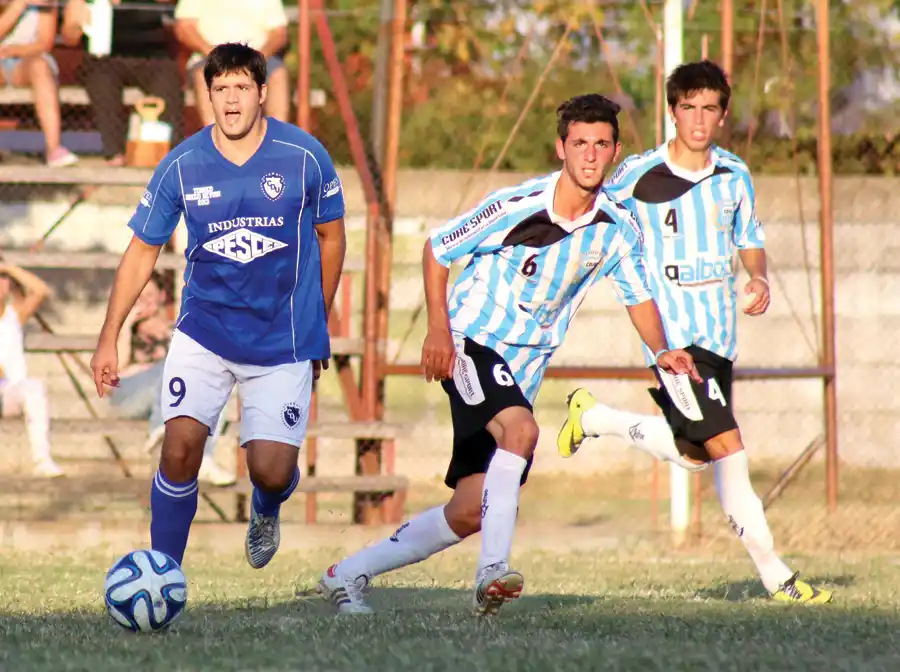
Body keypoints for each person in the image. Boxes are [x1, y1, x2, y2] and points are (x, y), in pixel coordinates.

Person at [317, 94, 701, 616]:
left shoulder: (617, 227)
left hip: (522, 371)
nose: (590, 154)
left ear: (615, 152)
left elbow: (637, 296)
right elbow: (438, 248)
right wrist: (438, 331)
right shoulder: (518, 205)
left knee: (469, 509)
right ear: (561, 148)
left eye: (601, 144)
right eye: (580, 143)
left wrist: (662, 351)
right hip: (473, 343)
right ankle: (492, 572)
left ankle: (345, 574)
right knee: (521, 431)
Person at [557, 61, 832, 604]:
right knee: (729, 448)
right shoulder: (637, 176)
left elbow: (749, 236)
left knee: (695, 454)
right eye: (688, 108)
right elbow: (586, 209)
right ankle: (778, 577)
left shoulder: (734, 174)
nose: (699, 119)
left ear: (723, 115)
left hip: (720, 339)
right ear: (672, 111)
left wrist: (758, 277)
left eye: (709, 108)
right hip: (675, 344)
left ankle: (594, 418)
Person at [89, 43, 346, 569]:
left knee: (271, 470)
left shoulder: (304, 156)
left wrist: (316, 323)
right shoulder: (181, 165)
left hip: (282, 337)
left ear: (262, 92)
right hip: (204, 331)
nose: (231, 100)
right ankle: (164, 573)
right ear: (206, 94)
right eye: (221, 89)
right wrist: (108, 335)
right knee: (179, 449)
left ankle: (267, 506)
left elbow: (332, 237)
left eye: (242, 88)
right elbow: (142, 251)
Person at [107, 273, 235, 486]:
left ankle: (203, 457)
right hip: (129, 396)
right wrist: (127, 323)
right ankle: (161, 429)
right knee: (171, 366)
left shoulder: (175, 329)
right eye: (138, 295)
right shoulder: (120, 328)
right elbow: (112, 376)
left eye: (149, 295)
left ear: (162, 296)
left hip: (170, 396)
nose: (143, 301)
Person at [60, 0, 183, 166]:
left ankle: (174, 156)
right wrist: (77, 25)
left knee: (167, 80)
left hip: (151, 55)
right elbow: (70, 38)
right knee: (102, 82)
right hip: (103, 58)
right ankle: (114, 153)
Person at [173, 0, 290, 125]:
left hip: (259, 57)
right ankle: (215, 132)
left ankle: (277, 134)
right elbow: (184, 28)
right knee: (202, 74)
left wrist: (258, 57)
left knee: (278, 74)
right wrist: (213, 53)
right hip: (210, 56)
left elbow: (279, 33)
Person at [0, 262, 64, 477]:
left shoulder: (14, 315)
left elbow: (41, 291)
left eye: (3, 278)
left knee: (34, 388)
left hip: (10, 392)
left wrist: (9, 268)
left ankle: (42, 461)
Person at [0, 0, 77, 166]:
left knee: (40, 66)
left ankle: (54, 149)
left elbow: (44, 43)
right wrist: (19, 5)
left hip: (25, 61)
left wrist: (15, 50)